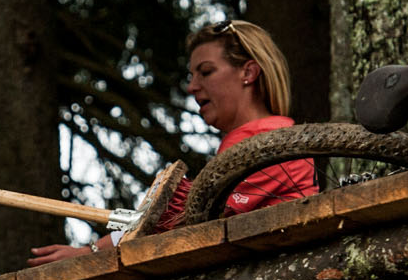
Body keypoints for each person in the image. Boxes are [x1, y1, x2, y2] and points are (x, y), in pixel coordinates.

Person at [28, 18, 316, 265]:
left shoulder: (269, 138)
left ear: (248, 72)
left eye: (206, 71)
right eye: (191, 75)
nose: (192, 86)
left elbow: (182, 218)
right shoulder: (255, 140)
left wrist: (91, 251)